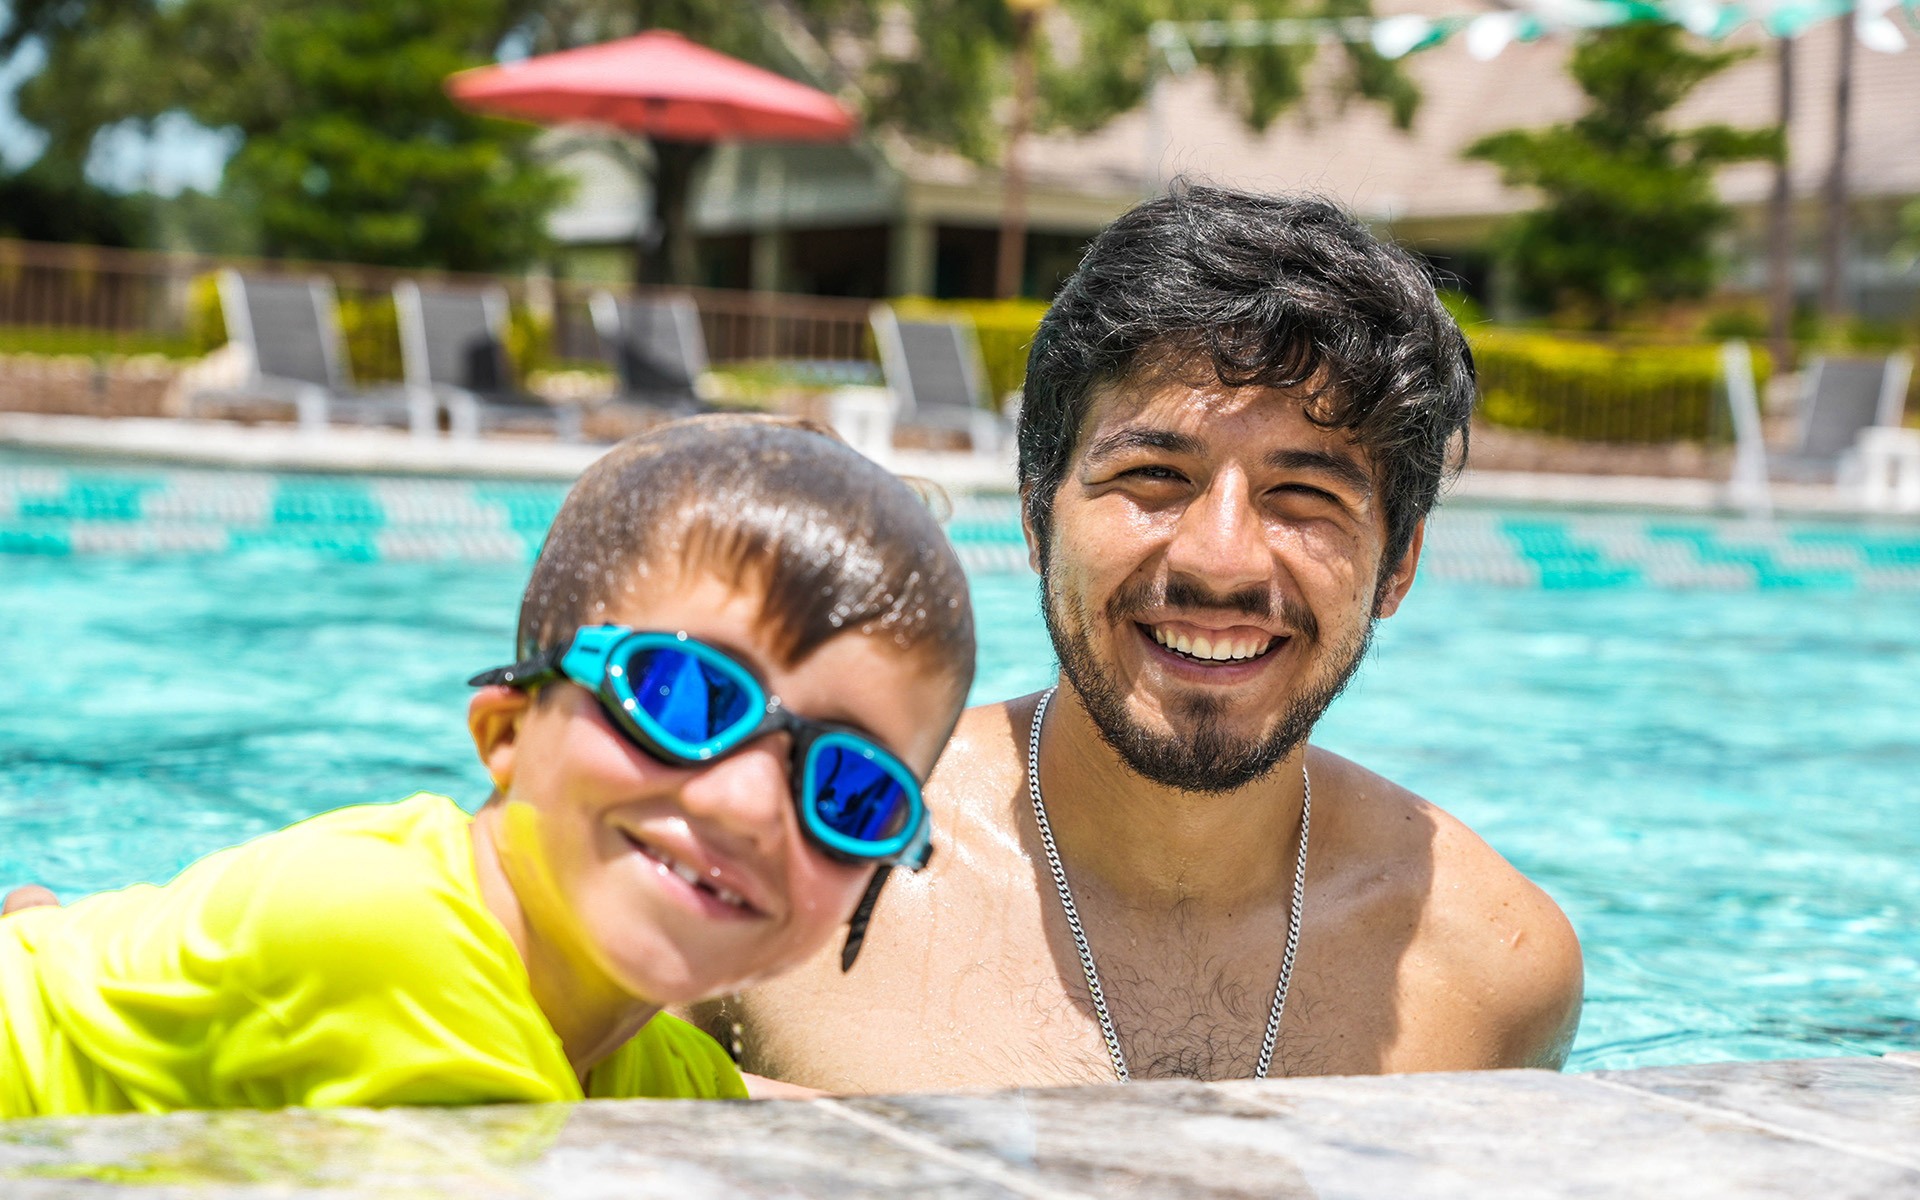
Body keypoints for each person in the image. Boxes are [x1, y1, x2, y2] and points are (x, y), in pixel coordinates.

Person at [692, 187, 1584, 1091]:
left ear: (1398, 566)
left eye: (1305, 496)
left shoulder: (1497, 975)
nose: (1222, 560)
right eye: (1153, 475)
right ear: (1037, 518)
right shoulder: (768, 873)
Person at [0, 415, 975, 1117]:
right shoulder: (398, 945)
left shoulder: (636, 1058)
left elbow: (825, 1133)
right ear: (507, 732)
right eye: (679, 697)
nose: (750, 801)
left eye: (851, 789)